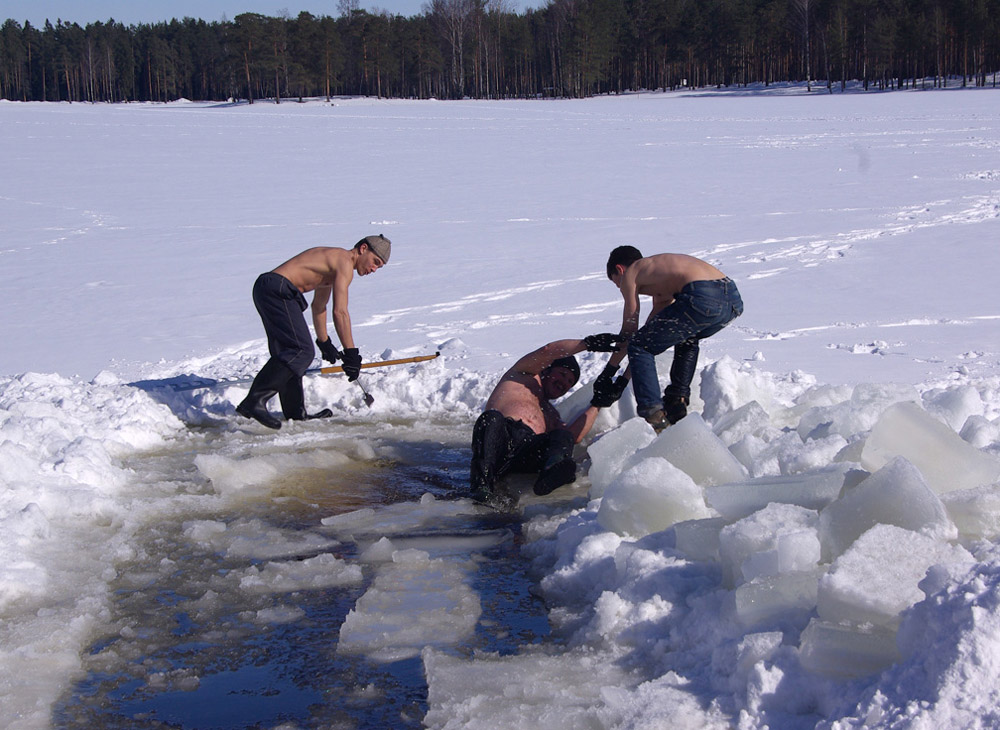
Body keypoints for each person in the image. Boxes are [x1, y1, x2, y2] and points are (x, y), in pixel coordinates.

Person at [235, 234, 391, 429]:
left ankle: (295, 413)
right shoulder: (343, 260)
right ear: (363, 249)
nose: (374, 269)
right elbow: (341, 312)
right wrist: (351, 354)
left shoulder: (333, 264)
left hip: (269, 288)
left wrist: (324, 342)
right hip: (278, 289)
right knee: (301, 351)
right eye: (375, 262)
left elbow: (319, 307)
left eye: (379, 267)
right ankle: (254, 401)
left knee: (291, 353)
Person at [469, 334, 628, 509]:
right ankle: (482, 485)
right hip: (499, 442)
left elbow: (572, 437)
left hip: (526, 453)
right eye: (562, 374)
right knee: (490, 418)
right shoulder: (521, 375)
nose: (564, 383)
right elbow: (547, 351)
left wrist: (598, 404)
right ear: (546, 369)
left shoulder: (551, 413)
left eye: (569, 382)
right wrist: (587, 344)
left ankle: (551, 474)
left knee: (561, 434)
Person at [604, 245, 743, 431]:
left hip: (702, 294)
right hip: (732, 301)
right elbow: (649, 340)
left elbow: (630, 334)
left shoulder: (632, 272)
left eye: (617, 283)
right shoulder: (662, 281)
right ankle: (676, 403)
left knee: (639, 345)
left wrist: (609, 373)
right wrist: (623, 379)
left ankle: (653, 414)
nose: (620, 288)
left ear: (619, 269)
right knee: (686, 337)